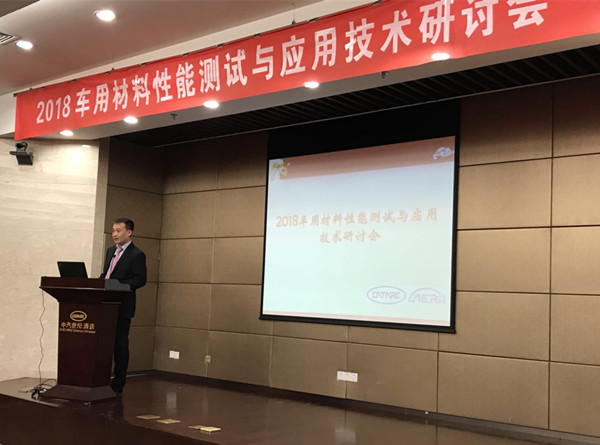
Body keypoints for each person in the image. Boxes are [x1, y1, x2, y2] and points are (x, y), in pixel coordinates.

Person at [100, 217, 147, 395]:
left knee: (119, 346)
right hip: (104, 305)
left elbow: (140, 280)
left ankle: (118, 383)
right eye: (113, 230)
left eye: (118, 230)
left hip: (122, 307)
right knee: (103, 344)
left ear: (129, 232)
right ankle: (101, 379)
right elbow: (107, 274)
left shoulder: (137, 254)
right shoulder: (110, 250)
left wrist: (117, 285)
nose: (114, 234)